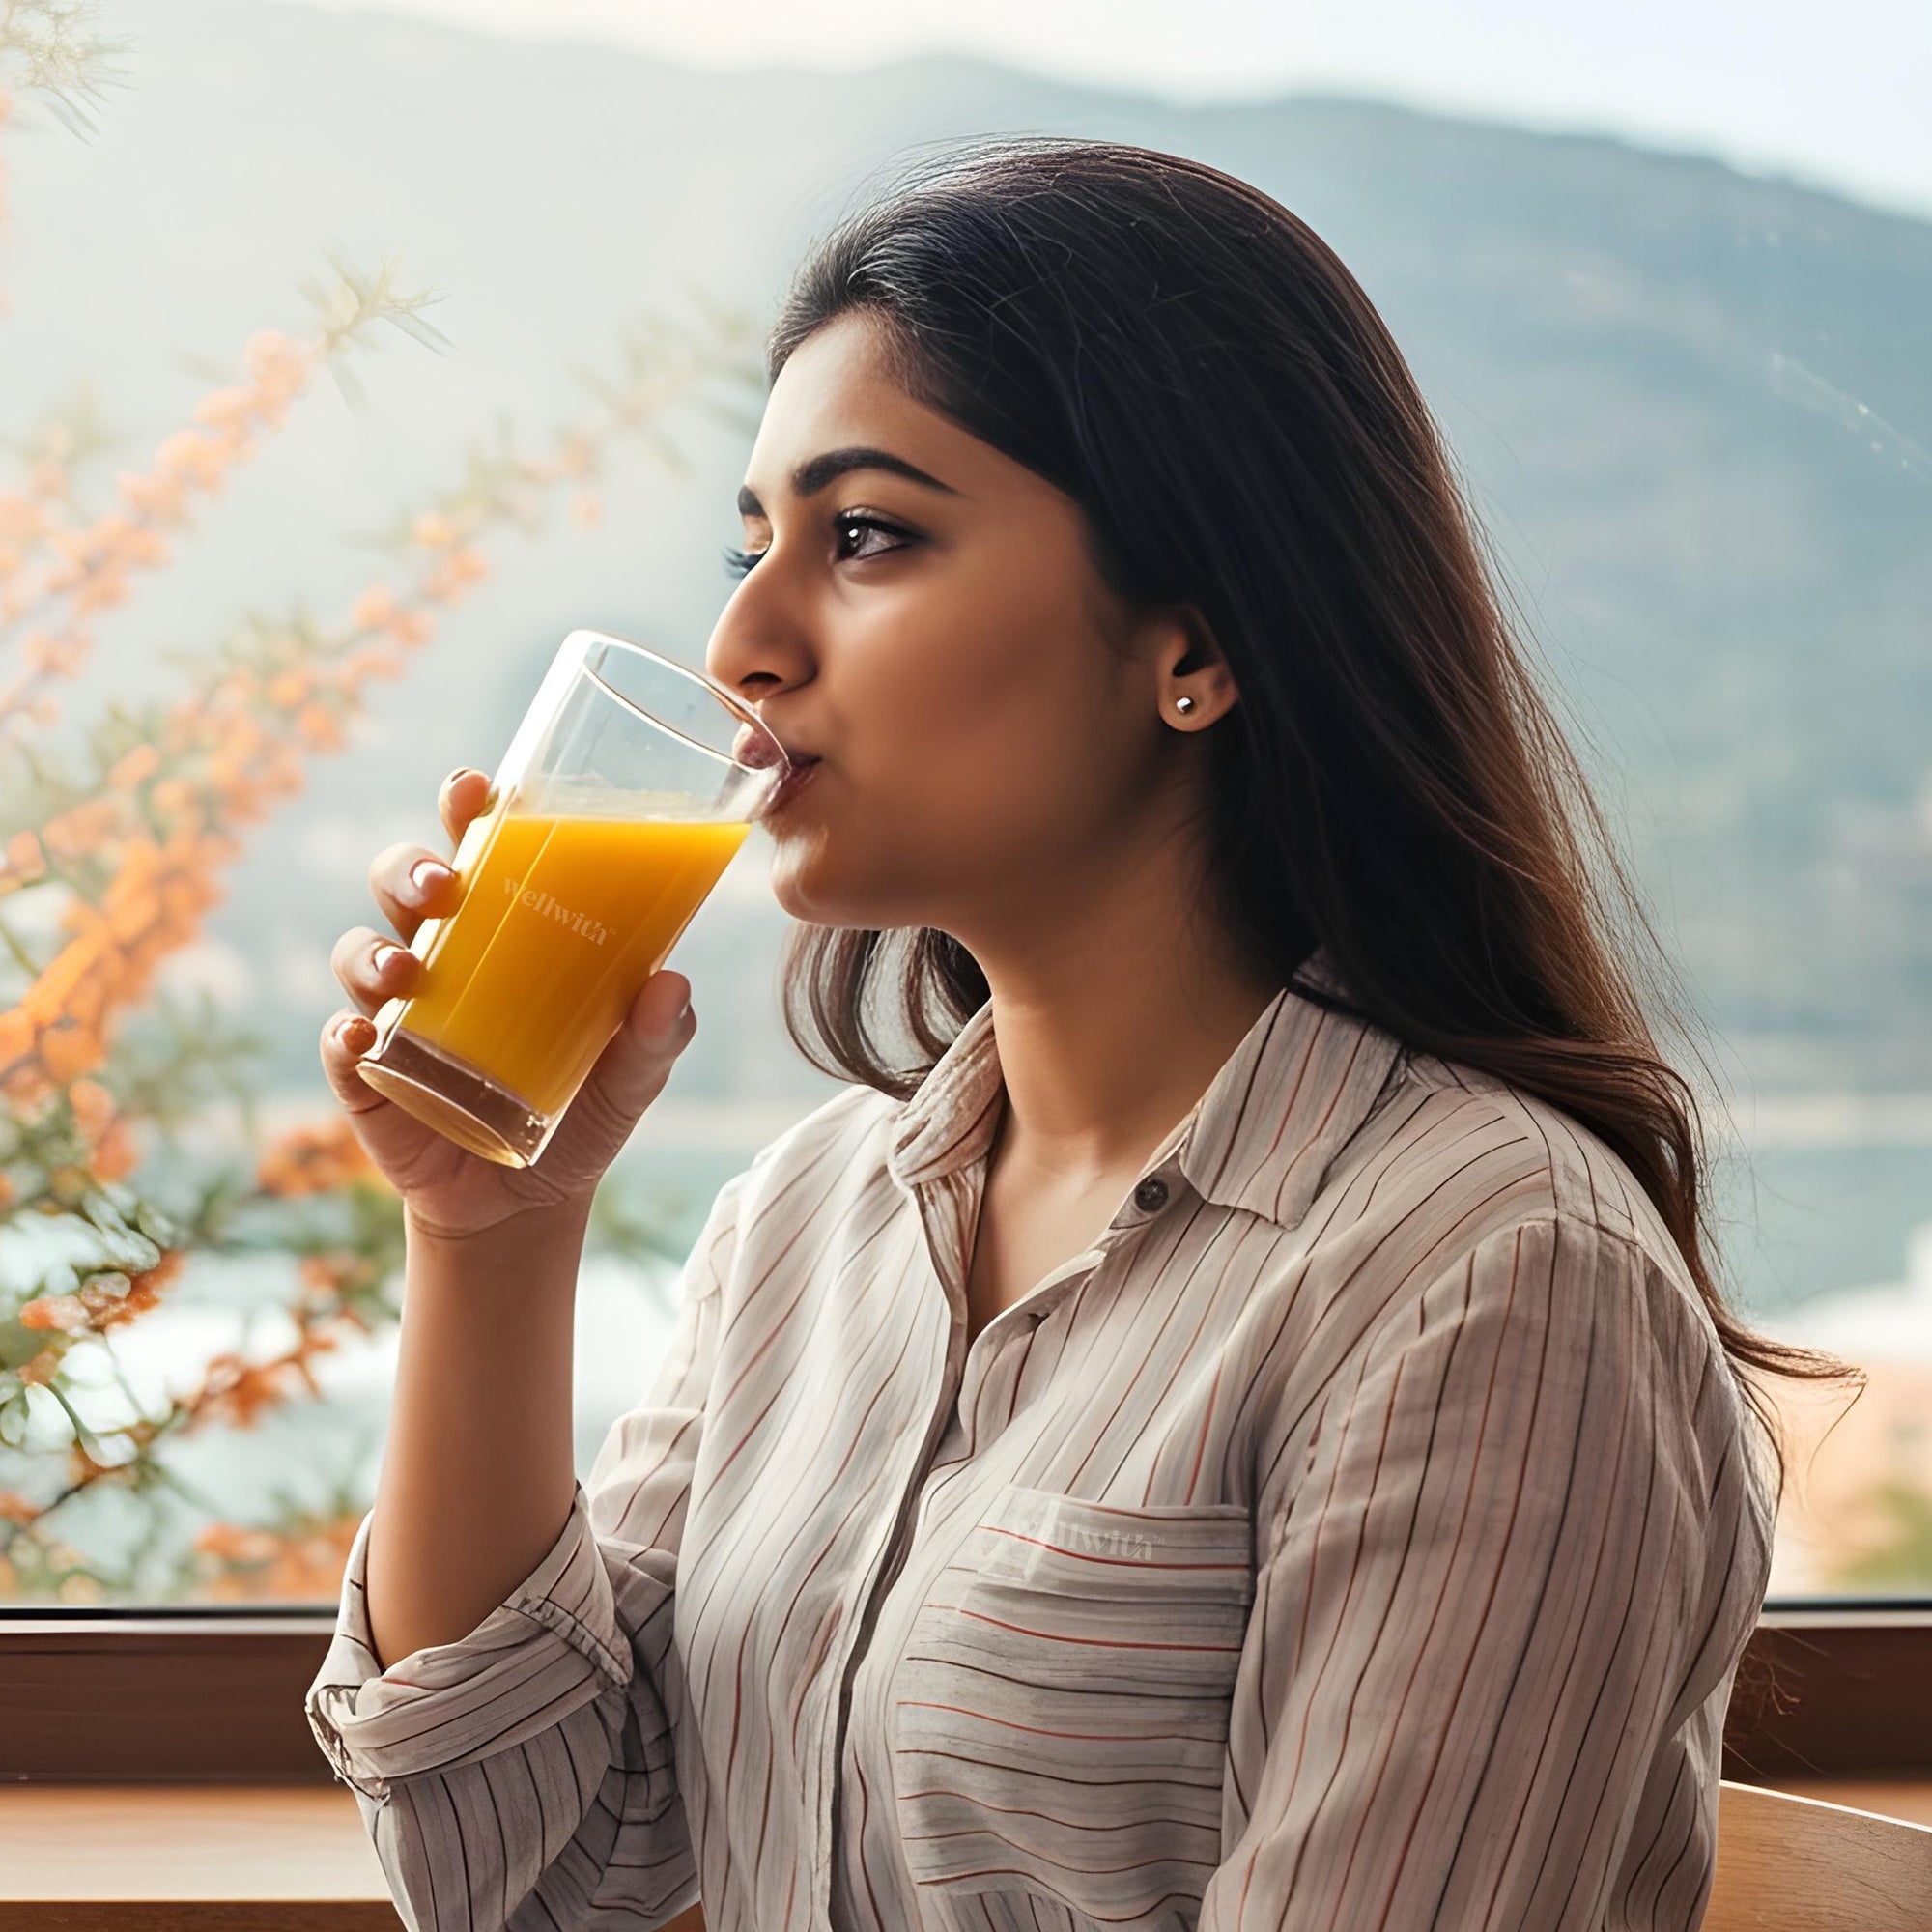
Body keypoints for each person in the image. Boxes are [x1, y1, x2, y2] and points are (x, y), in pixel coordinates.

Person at [306, 138, 1847, 1932]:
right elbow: (520, 1871)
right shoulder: (808, 1234)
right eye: (751, 545)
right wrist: (488, 1235)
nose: (741, 639)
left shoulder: (1491, 1283)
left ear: (1192, 643)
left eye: (866, 535)